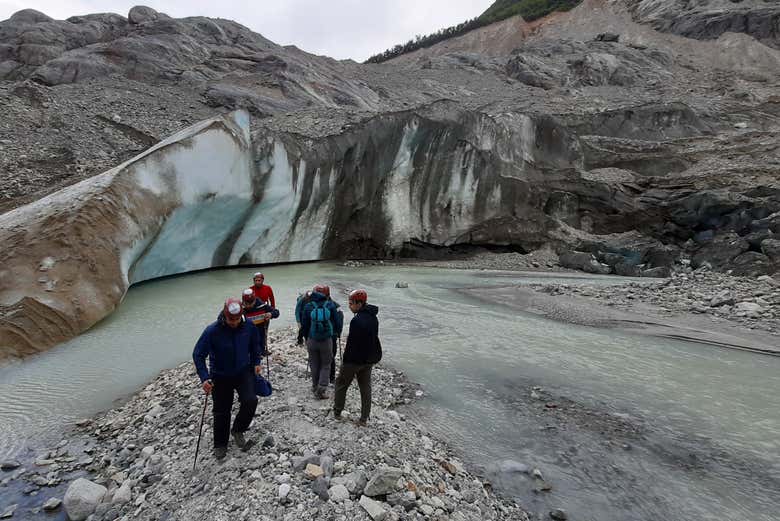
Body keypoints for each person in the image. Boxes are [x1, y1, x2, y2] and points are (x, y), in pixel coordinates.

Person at [193, 298, 262, 460]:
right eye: (231, 319)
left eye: (237, 319)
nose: (234, 322)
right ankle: (220, 444)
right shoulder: (212, 331)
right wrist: (204, 377)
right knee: (221, 411)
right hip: (220, 375)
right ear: (225, 315)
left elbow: (255, 345)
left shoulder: (249, 326)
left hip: (243, 372)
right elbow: (198, 354)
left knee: (251, 400)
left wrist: (256, 362)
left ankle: (238, 429)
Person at [333, 289, 381, 426]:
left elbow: (352, 344)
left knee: (341, 384)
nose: (349, 306)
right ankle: (364, 419)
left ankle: (337, 412)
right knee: (365, 388)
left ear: (359, 303)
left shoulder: (357, 321)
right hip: (369, 359)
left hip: (354, 361)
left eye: (351, 303)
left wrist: (345, 361)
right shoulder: (373, 317)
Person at [301, 285, 340, 399]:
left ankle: (314, 386)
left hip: (312, 339)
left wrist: (306, 337)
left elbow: (304, 325)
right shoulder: (330, 305)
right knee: (326, 364)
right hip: (327, 340)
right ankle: (322, 389)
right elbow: (337, 322)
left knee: (314, 363)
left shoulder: (308, 306)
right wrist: (337, 333)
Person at [320, 285, 344, 383]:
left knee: (324, 356)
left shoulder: (317, 305)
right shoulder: (336, 305)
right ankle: (331, 377)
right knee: (331, 356)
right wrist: (339, 332)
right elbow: (340, 320)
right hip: (332, 335)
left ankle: (324, 376)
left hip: (322, 335)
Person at [242, 288, 279, 354]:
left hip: (261, 328)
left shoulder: (262, 306)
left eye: (251, 303)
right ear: (243, 301)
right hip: (247, 330)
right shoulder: (240, 308)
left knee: (262, 340)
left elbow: (276, 312)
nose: (248, 305)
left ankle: (262, 351)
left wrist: (271, 314)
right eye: (246, 303)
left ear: (255, 300)